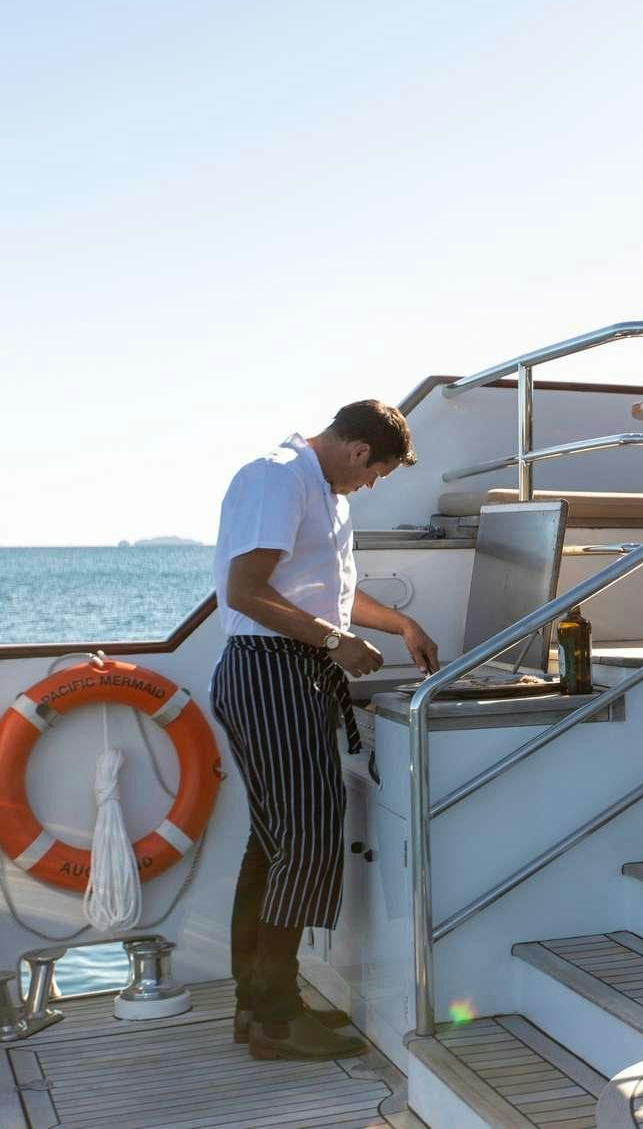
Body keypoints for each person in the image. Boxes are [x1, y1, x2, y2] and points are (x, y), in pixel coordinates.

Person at [208, 400, 440, 1060]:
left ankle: (256, 1006)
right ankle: (277, 1020)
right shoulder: (277, 476)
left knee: (276, 843)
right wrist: (335, 642)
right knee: (306, 842)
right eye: (377, 474)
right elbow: (244, 590)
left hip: (290, 669)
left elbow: (322, 594)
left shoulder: (323, 493)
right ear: (360, 452)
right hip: (270, 671)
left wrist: (399, 626)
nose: (370, 487)